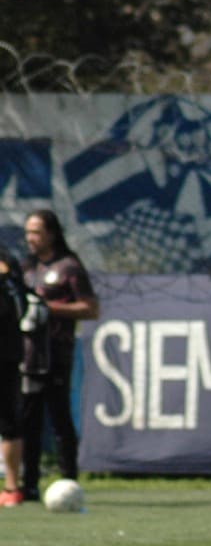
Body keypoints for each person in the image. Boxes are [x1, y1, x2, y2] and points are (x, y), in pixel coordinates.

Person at [1, 211, 97, 506]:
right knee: (26, 421)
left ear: (51, 234)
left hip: (57, 353)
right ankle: (28, 485)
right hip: (28, 356)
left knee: (59, 418)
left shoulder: (69, 266)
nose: (31, 238)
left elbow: (91, 308)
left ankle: (69, 477)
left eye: (37, 232)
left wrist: (49, 308)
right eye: (28, 232)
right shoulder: (27, 269)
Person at [0, 244, 27, 504]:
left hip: (5, 356)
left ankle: (11, 487)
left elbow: (20, 308)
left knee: (9, 420)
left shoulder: (7, 265)